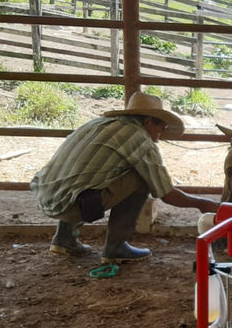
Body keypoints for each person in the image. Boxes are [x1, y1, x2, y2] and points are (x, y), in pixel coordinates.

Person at [30, 91, 219, 263]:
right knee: (141, 179)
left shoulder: (96, 124)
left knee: (86, 177)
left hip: (46, 196)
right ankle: (116, 247)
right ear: (147, 122)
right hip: (71, 204)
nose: (160, 134)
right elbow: (166, 193)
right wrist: (201, 203)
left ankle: (64, 239)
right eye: (160, 127)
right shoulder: (139, 138)